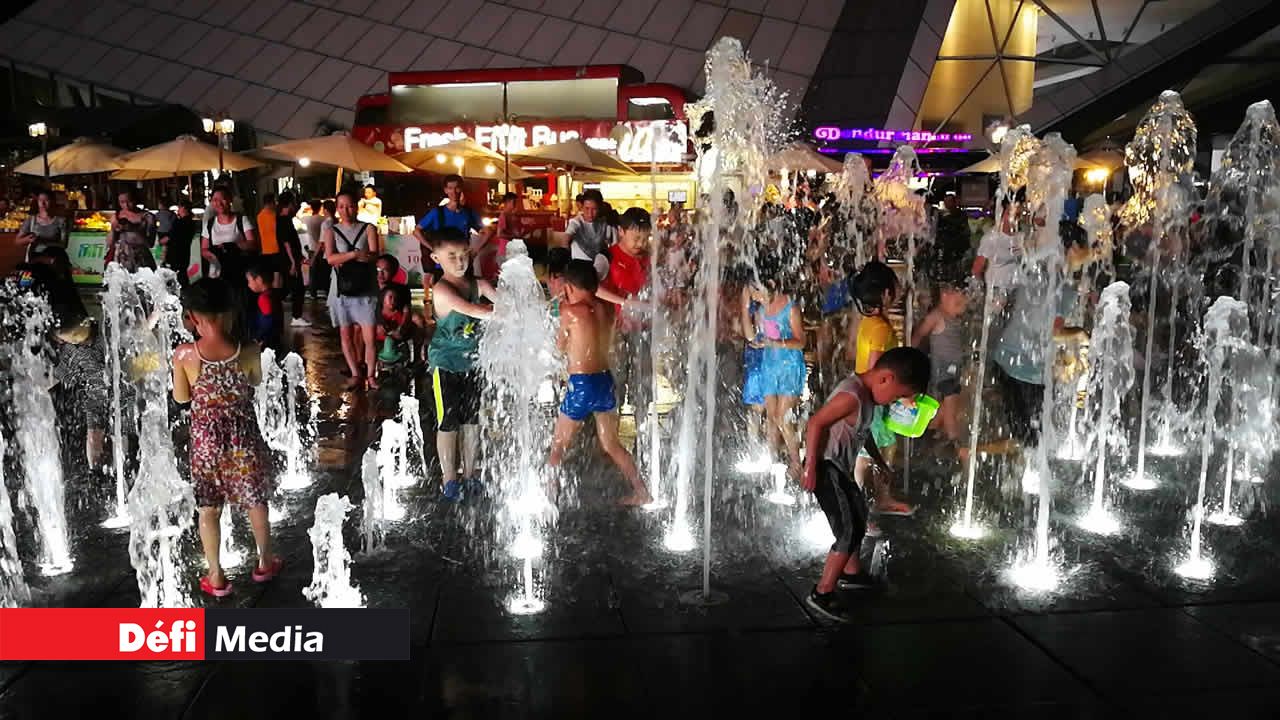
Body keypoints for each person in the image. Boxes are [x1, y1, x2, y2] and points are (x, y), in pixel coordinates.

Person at [802, 347, 931, 621]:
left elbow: (864, 433)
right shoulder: (852, 395)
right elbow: (816, 423)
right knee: (848, 529)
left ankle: (851, 573)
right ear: (885, 378)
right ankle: (822, 592)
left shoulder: (869, 397)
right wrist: (810, 467)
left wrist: (880, 463)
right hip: (826, 468)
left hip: (839, 469)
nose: (893, 401)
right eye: (897, 395)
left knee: (858, 516)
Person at [172, 278, 279, 597]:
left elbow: (180, 399)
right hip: (243, 437)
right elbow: (256, 382)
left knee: (209, 508)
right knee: (255, 501)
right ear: (230, 312)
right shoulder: (247, 349)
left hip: (207, 442)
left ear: (192, 316)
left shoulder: (184, 355)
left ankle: (216, 576)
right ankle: (264, 562)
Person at [546, 259, 651, 506]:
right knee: (612, 444)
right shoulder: (606, 308)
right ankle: (642, 491)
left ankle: (548, 499)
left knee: (558, 447)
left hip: (581, 384)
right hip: (605, 382)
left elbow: (559, 348)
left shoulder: (569, 312)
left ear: (569, 287)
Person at [428, 228, 495, 501]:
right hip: (446, 365)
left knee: (472, 421)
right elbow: (476, 311)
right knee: (448, 422)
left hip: (472, 363)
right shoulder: (442, 289)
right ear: (436, 258)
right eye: (451, 256)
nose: (459, 262)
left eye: (464, 254)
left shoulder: (477, 284)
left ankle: (470, 475)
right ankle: (449, 479)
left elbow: (499, 299)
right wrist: (508, 314)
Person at [846, 261, 914, 516]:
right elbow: (876, 370)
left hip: (873, 396)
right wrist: (897, 396)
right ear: (886, 293)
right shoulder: (881, 328)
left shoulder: (870, 321)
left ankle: (881, 498)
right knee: (865, 456)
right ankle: (857, 511)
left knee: (886, 447)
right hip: (873, 398)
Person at [597, 208, 653, 452]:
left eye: (645, 238)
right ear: (621, 231)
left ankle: (643, 440)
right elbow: (593, 288)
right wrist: (625, 303)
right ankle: (610, 444)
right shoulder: (606, 257)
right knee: (615, 384)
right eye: (636, 238)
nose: (641, 244)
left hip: (643, 331)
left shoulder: (649, 257)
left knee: (643, 383)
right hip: (615, 332)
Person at [753, 256, 807, 481]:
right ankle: (771, 460)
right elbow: (760, 333)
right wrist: (758, 341)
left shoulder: (790, 308)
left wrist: (777, 343)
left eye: (758, 291)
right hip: (769, 365)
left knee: (783, 418)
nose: (755, 296)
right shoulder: (761, 309)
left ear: (772, 286)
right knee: (771, 417)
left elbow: (801, 341)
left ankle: (797, 463)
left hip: (789, 367)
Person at [325, 189, 380, 390]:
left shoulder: (369, 228)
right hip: (341, 289)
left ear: (357, 206)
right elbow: (330, 259)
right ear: (337, 208)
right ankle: (356, 373)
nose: (346, 210)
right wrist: (354, 255)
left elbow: (375, 255)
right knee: (345, 334)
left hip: (366, 288)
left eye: (349, 206)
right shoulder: (331, 231)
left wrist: (354, 257)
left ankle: (371, 375)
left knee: (370, 336)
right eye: (341, 206)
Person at [911, 281, 969, 457]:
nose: (963, 305)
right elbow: (920, 334)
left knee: (946, 405)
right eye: (959, 302)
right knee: (950, 404)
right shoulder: (937, 316)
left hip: (953, 369)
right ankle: (955, 442)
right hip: (943, 371)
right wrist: (909, 355)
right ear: (944, 295)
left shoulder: (954, 318)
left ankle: (930, 434)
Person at [413, 174, 486, 286]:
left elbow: (488, 231)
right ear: (445, 190)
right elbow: (416, 231)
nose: (454, 191)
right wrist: (432, 248)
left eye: (457, 188)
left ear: (461, 188)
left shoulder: (468, 212)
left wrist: (475, 251)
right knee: (444, 297)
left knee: (465, 297)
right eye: (450, 188)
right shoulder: (437, 212)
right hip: (442, 266)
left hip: (463, 264)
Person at [200, 187, 257, 288]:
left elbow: (252, 243)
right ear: (212, 203)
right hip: (217, 276)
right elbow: (204, 249)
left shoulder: (242, 220)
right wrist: (216, 256)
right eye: (215, 200)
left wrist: (233, 246)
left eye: (223, 199)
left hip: (240, 275)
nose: (219, 203)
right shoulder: (209, 224)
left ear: (230, 200)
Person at [276, 191, 308, 327]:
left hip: (290, 259)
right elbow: (286, 243)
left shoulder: (284, 219)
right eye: (294, 203)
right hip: (289, 260)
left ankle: (295, 316)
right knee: (297, 288)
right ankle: (296, 316)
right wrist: (293, 262)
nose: (295, 207)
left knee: (291, 287)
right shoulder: (284, 221)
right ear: (288, 204)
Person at [105, 189, 156, 272]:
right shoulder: (116, 216)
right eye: (122, 202)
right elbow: (109, 243)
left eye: (129, 201)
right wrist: (113, 229)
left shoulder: (147, 217)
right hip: (122, 259)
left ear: (135, 200)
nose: (126, 205)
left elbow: (150, 243)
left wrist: (135, 231)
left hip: (141, 259)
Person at [16, 189, 68, 263]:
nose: (43, 203)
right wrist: (28, 239)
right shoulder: (31, 220)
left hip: (53, 259)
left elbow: (64, 244)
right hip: (35, 259)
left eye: (46, 200)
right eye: (40, 200)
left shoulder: (61, 221)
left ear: (52, 201)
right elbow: (17, 241)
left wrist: (45, 242)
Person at [564, 189, 616, 263]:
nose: (590, 214)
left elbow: (612, 243)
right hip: (579, 267)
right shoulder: (576, 222)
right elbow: (566, 237)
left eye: (594, 209)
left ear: (599, 208)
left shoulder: (603, 223)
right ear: (582, 207)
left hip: (597, 267)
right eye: (587, 208)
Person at [245, 260, 283, 353]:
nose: (248, 285)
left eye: (249, 281)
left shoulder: (263, 298)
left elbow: (267, 321)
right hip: (275, 338)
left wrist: (258, 337)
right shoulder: (273, 294)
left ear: (259, 280)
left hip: (267, 341)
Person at [159, 200, 196, 287]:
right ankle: (186, 294)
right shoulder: (191, 223)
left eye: (179, 207)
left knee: (174, 277)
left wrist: (160, 242)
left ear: (183, 208)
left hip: (175, 254)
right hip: (185, 253)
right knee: (183, 275)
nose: (178, 210)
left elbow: (170, 237)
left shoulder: (179, 222)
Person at [256, 193, 283, 290]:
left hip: (265, 250)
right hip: (276, 249)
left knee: (268, 278)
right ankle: (276, 298)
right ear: (271, 202)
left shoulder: (259, 216)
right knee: (277, 277)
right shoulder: (275, 215)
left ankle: (269, 298)